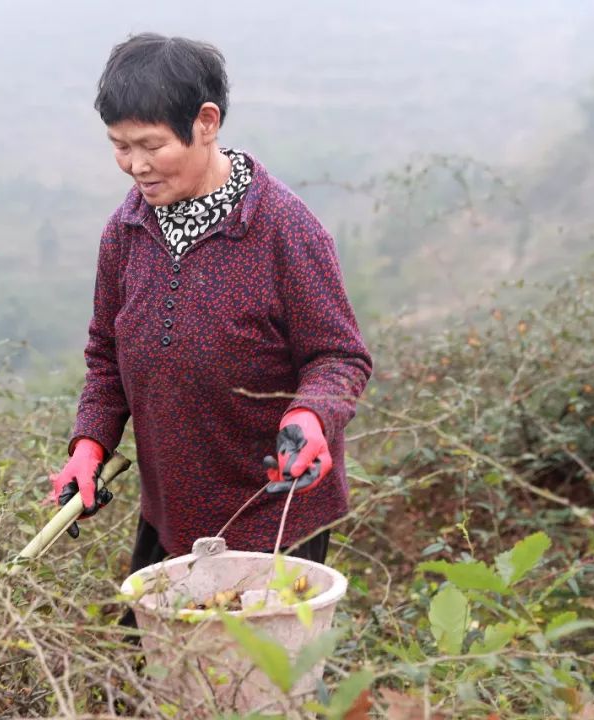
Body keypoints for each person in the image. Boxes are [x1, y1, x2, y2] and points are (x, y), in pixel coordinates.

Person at [49, 33, 372, 607]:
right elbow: (105, 357)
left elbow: (339, 356)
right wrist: (89, 445)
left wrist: (312, 415)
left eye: (150, 145)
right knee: (152, 677)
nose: (135, 166)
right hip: (169, 513)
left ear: (205, 123)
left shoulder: (283, 229)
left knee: (253, 686)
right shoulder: (126, 232)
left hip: (273, 516)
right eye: (120, 146)